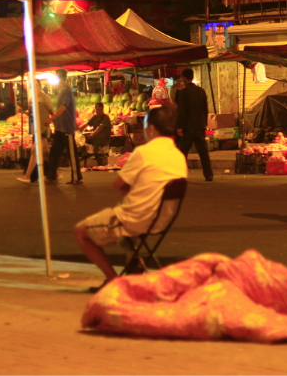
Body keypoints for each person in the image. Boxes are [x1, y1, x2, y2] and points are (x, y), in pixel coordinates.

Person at [74, 105, 187, 287]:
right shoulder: (178, 156)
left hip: (137, 218)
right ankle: (135, 264)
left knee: (80, 232)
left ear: (151, 129)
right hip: (163, 219)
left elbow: (119, 184)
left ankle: (113, 280)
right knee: (127, 238)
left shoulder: (144, 152)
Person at [175, 68, 212, 182]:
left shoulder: (183, 92)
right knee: (203, 152)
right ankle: (208, 175)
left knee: (183, 152)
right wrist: (204, 123)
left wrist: (179, 127)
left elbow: (181, 110)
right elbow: (205, 109)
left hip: (188, 127)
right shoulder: (201, 91)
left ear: (185, 78)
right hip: (200, 126)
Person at [45, 69, 81, 185]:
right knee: (54, 153)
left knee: (72, 154)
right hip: (60, 128)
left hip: (67, 128)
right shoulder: (62, 91)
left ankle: (77, 177)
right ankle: (51, 176)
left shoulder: (66, 91)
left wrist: (52, 119)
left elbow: (63, 108)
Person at [16, 80, 54, 184]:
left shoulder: (45, 98)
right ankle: (56, 173)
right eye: (32, 86)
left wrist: (52, 121)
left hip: (43, 128)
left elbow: (51, 112)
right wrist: (23, 112)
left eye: (36, 85)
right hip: (35, 128)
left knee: (34, 152)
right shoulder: (32, 99)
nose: (34, 87)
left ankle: (27, 176)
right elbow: (32, 114)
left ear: (40, 86)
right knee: (45, 153)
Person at [83, 102, 113, 168]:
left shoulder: (106, 118)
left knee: (96, 138)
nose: (99, 112)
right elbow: (86, 124)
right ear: (95, 110)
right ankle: (83, 157)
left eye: (100, 110)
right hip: (95, 137)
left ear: (103, 110)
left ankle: (99, 161)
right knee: (83, 139)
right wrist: (78, 130)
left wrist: (92, 134)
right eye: (97, 110)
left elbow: (100, 127)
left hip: (104, 138)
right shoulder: (94, 117)